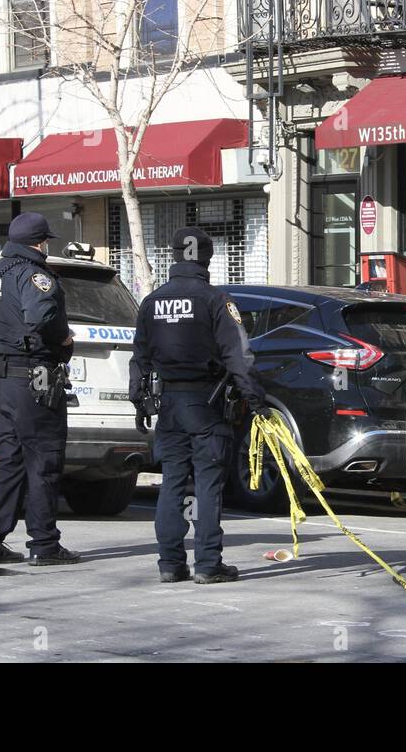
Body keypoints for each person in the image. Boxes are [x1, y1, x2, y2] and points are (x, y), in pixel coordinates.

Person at [130, 227, 267, 585]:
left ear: (175, 255)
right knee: (208, 483)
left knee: (172, 482)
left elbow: (139, 357)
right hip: (206, 403)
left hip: (170, 404)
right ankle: (208, 563)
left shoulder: (152, 302)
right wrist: (255, 400)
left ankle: (170, 563)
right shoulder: (215, 301)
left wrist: (139, 401)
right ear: (206, 258)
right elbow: (239, 356)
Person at [0, 213, 82, 566]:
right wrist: (62, 338)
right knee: (43, 460)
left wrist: (3, 340)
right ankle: (44, 544)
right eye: (46, 241)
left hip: (1, 380)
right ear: (39, 242)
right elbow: (42, 317)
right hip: (34, 379)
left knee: (5, 462)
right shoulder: (36, 275)